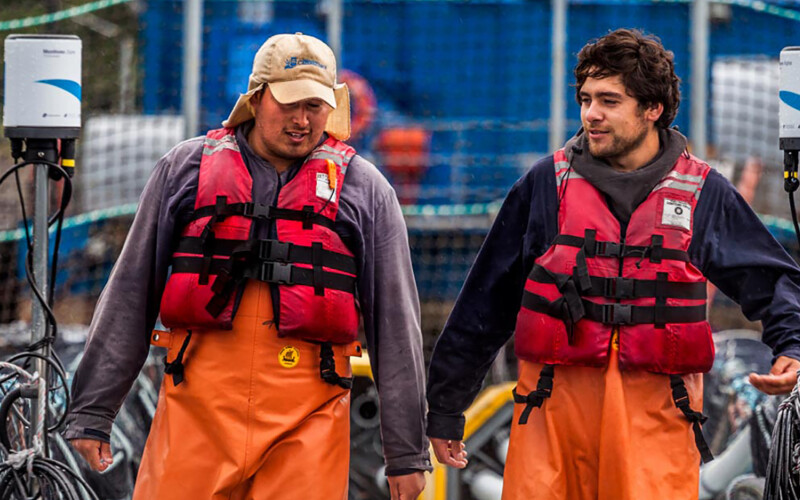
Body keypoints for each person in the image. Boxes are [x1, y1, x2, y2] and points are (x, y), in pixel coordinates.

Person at [425, 28, 800, 499]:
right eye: (585, 99)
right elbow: (484, 304)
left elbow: (772, 279)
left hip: (656, 423)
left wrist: (793, 345)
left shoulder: (704, 193)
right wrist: (445, 408)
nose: (591, 114)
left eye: (609, 100)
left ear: (653, 109)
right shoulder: (545, 185)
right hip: (550, 420)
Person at [65, 32, 430, 500]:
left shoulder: (365, 190)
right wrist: (94, 412)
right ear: (257, 99)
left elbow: (396, 327)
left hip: (308, 425)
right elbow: (130, 294)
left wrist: (406, 454)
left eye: (316, 107)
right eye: (290, 104)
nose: (302, 120)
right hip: (196, 414)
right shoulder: (185, 170)